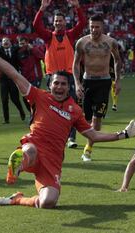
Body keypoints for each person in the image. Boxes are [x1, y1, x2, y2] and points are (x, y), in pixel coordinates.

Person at [0, 33, 135, 208]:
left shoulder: (75, 111)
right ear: (50, 85)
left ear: (68, 87)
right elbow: (14, 75)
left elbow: (93, 134)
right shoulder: (39, 96)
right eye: (56, 83)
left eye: (63, 84)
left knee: (48, 202)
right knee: (29, 151)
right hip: (35, 146)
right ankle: (16, 166)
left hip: (53, 160)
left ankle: (17, 199)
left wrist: (124, 134)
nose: (59, 87)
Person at [33, 0, 86, 148]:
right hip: (52, 77)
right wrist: (42, 9)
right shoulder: (49, 37)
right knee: (50, 107)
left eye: (61, 20)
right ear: (53, 22)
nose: (58, 23)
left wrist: (77, 7)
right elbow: (36, 26)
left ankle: (71, 138)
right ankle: (52, 135)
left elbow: (82, 23)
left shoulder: (70, 35)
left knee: (72, 107)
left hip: (68, 77)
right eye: (56, 20)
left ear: (65, 22)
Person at [73, 14, 122, 161]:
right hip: (87, 81)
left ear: (102, 27)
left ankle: (88, 149)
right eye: (91, 27)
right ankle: (89, 141)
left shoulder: (111, 42)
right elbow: (75, 64)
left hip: (104, 82)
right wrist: (77, 83)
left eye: (97, 27)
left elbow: (118, 61)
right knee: (86, 119)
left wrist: (117, 80)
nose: (94, 30)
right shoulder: (82, 42)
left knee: (97, 119)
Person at [0, 37, 26, 124]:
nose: (5, 42)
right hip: (3, 79)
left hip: (13, 78)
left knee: (15, 98)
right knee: (4, 99)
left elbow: (21, 46)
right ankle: (6, 119)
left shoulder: (15, 49)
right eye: (3, 41)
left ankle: (21, 111)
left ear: (10, 43)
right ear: (1, 44)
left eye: (7, 40)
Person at [16, 36, 45, 113]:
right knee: (25, 98)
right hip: (25, 79)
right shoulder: (18, 53)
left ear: (27, 43)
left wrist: (32, 49)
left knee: (33, 97)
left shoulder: (33, 50)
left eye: (23, 43)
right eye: (20, 44)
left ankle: (36, 114)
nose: (22, 45)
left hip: (35, 77)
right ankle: (33, 113)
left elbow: (41, 56)